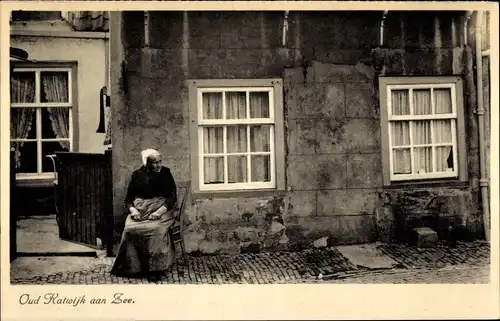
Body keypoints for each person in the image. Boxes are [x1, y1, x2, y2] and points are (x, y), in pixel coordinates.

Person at [110, 149, 177, 282]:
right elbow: (128, 199)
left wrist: (159, 212)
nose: (158, 165)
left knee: (156, 230)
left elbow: (172, 197)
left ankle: (155, 269)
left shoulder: (166, 173)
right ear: (146, 163)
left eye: (160, 162)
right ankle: (132, 268)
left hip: (162, 209)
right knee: (129, 230)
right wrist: (133, 210)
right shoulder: (137, 175)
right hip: (140, 210)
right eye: (154, 163)